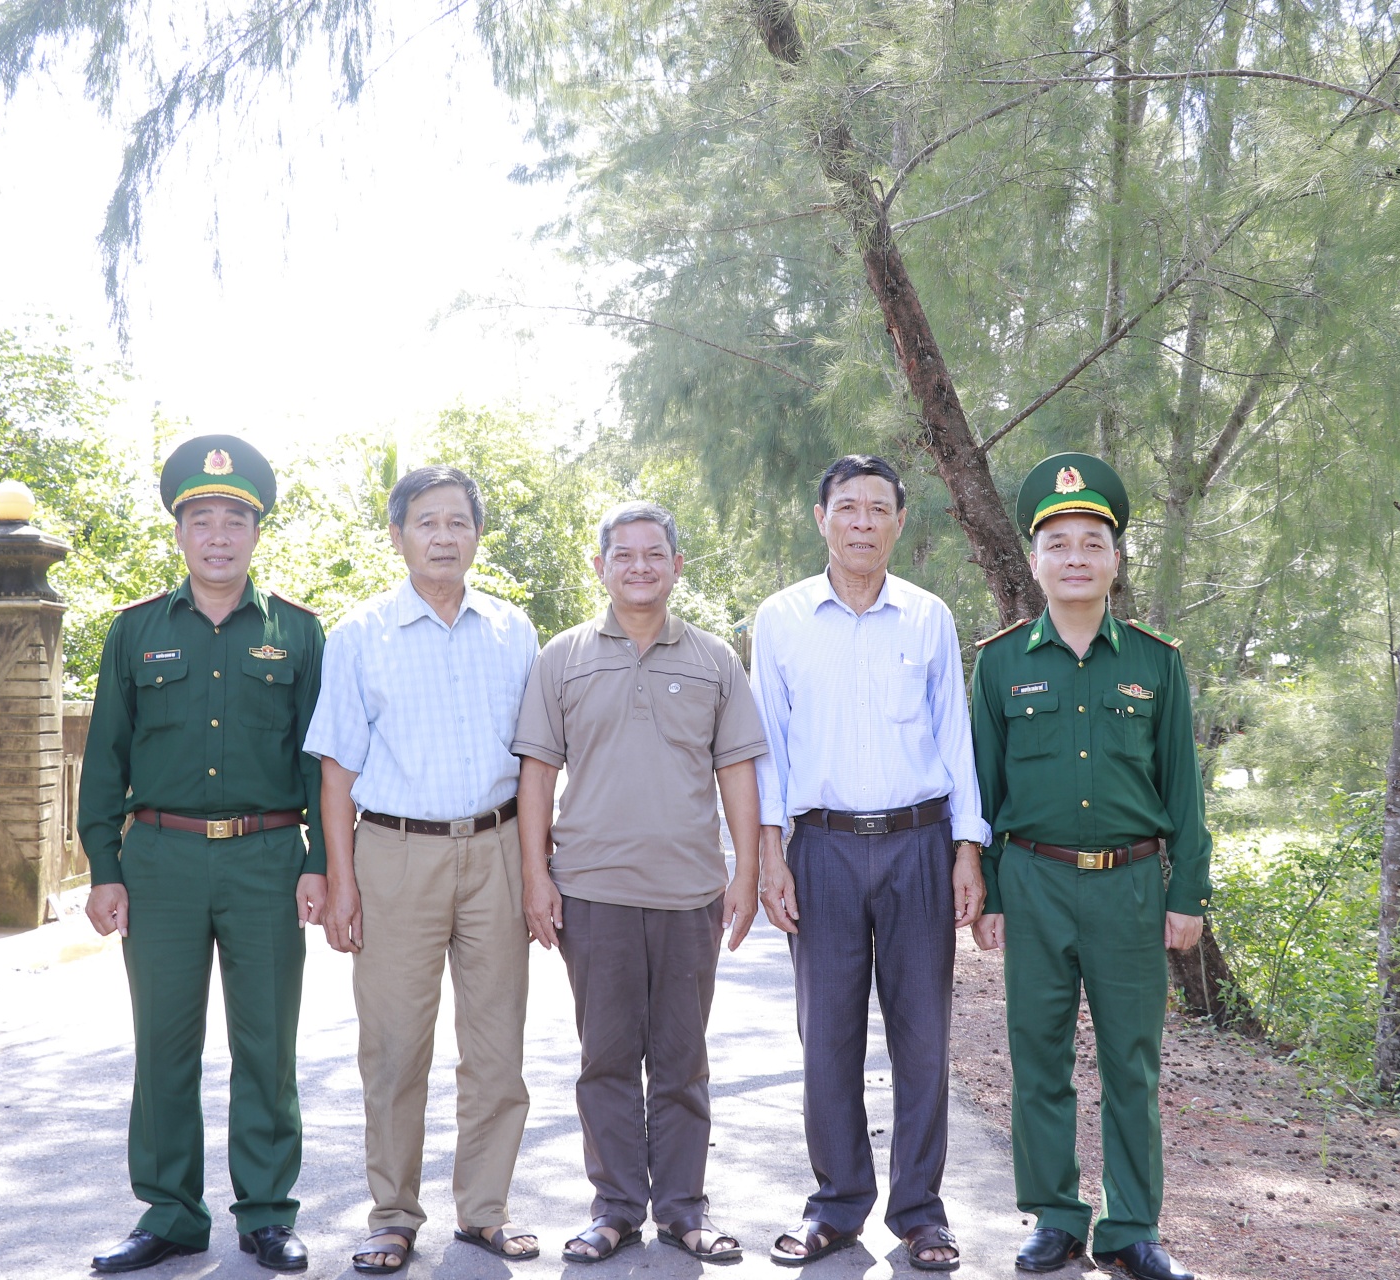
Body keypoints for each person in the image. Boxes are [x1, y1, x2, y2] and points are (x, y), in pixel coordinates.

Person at [78, 435, 328, 1274]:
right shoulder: (134, 632)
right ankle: (170, 1212)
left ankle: (265, 1212)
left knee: (267, 1044)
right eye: (201, 520)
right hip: (161, 861)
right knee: (164, 1044)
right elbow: (105, 757)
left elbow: (316, 759)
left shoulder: (297, 633)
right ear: (179, 533)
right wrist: (103, 867)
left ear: (257, 533)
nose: (218, 536)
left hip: (265, 859)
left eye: (234, 521)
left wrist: (322, 861)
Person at [970, 453, 1210, 1280]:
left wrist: (1188, 893)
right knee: (1037, 1055)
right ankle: (1057, 1217)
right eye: (1058, 543)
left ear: (1114, 559)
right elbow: (983, 790)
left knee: (1130, 1064)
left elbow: (1184, 790)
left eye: (1092, 542)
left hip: (1133, 886)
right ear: (1035, 561)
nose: (1076, 556)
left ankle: (1131, 1227)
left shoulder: (1155, 661)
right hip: (1033, 882)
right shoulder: (999, 663)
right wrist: (990, 894)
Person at [749, 455, 991, 1272]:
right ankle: (836, 1206)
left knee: (923, 1039)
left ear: (898, 520)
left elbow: (953, 734)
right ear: (820, 518)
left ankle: (921, 1213)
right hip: (819, 849)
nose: (861, 521)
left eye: (877, 508)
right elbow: (766, 752)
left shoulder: (927, 617)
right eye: (846, 507)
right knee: (828, 1039)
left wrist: (967, 845)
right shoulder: (780, 620)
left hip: (920, 846)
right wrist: (768, 857)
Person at [513, 501, 767, 1266]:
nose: (640, 568)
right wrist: (536, 876)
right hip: (592, 891)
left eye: (655, 555)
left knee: (683, 1061)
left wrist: (746, 873)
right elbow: (535, 774)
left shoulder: (715, 660)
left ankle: (684, 1210)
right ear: (601, 566)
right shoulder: (562, 658)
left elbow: (737, 772)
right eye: (624, 556)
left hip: (690, 893)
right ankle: (617, 1209)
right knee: (608, 1060)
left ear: (677, 565)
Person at [304, 466, 541, 1275]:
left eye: (459, 524)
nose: (444, 537)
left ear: (477, 535)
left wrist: (538, 868)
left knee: (496, 1046)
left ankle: (483, 1212)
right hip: (394, 853)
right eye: (427, 523)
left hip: (499, 849)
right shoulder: (359, 634)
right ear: (398, 534)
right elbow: (335, 774)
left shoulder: (515, 631)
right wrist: (342, 882)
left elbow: (539, 764)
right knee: (397, 1047)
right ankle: (394, 1214)